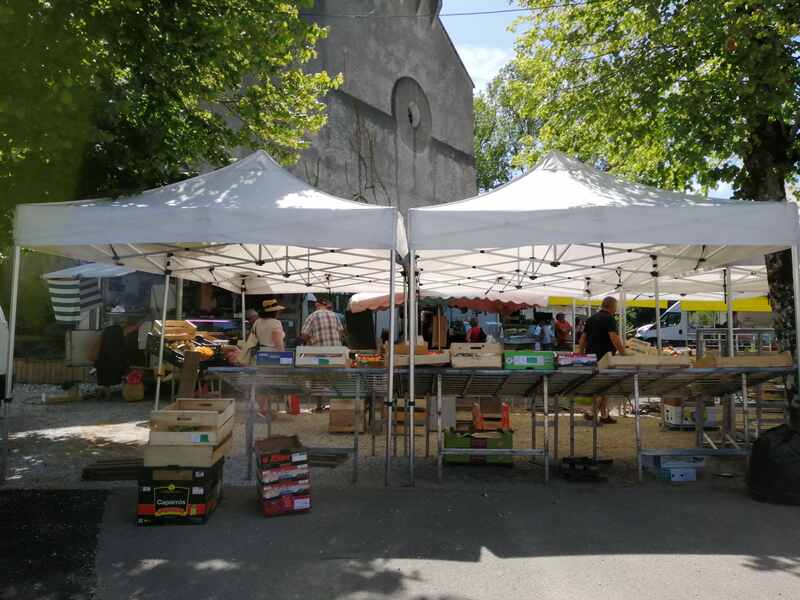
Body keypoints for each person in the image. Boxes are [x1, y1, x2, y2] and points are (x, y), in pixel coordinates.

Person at [578, 297, 626, 424]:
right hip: (605, 357)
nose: (616, 309)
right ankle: (592, 412)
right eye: (616, 306)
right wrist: (624, 354)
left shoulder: (591, 319)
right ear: (611, 306)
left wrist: (580, 355)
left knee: (602, 385)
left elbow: (583, 339)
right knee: (604, 386)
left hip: (591, 357)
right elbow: (614, 337)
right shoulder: (609, 318)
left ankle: (604, 415)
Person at [252, 300, 286, 417]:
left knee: (261, 383)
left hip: (261, 354)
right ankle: (265, 410)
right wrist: (284, 357)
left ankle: (262, 409)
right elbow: (278, 343)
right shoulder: (276, 323)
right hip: (273, 355)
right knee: (271, 382)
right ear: (275, 311)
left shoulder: (257, 322)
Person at [92, 324, 129, 399]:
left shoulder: (104, 336)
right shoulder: (119, 339)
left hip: (103, 362)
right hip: (113, 363)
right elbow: (122, 352)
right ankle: (105, 393)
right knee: (108, 380)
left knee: (105, 381)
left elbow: (97, 350)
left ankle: (105, 393)